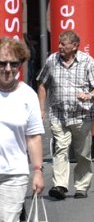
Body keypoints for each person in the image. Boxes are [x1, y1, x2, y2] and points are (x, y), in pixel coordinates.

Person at [37, 30, 94, 200]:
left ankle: (81, 186)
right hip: (58, 114)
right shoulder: (52, 60)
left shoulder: (87, 62)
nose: (59, 46)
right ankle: (60, 185)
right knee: (60, 148)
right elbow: (42, 83)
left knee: (82, 153)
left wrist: (89, 95)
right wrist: (41, 109)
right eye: (59, 43)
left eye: (63, 44)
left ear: (75, 46)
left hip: (82, 116)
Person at [0, 38, 44, 221]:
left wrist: (38, 171)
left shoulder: (28, 96)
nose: (8, 69)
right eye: (2, 63)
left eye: (14, 63)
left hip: (13, 174)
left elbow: (33, 137)